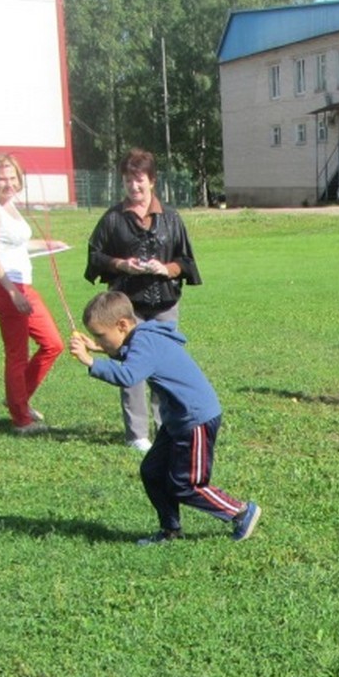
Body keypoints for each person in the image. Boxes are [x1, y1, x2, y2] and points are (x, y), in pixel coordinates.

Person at [67, 292, 261, 545]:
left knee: (187, 484)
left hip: (195, 419)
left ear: (123, 325)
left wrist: (91, 362)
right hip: (177, 420)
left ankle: (241, 512)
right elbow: (134, 357)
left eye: (101, 336)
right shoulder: (143, 337)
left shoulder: (145, 341)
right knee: (153, 471)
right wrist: (103, 348)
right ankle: (170, 531)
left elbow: (129, 376)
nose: (98, 340)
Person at [85, 148, 203, 453]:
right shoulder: (113, 219)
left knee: (165, 367)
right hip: (128, 309)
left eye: (139, 181)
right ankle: (137, 433)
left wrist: (167, 269)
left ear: (152, 181)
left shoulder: (171, 218)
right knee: (132, 367)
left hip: (165, 306)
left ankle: (166, 425)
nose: (134, 187)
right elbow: (95, 255)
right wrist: (120, 265)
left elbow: (186, 260)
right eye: (128, 182)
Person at [0, 153, 66, 435]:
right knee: (17, 353)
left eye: (13, 177)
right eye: (2, 178)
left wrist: (49, 243)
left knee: (53, 344)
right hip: (4, 288)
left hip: (24, 286)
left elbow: (18, 244)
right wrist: (12, 292)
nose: (8, 183)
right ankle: (20, 419)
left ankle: (17, 398)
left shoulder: (11, 206)